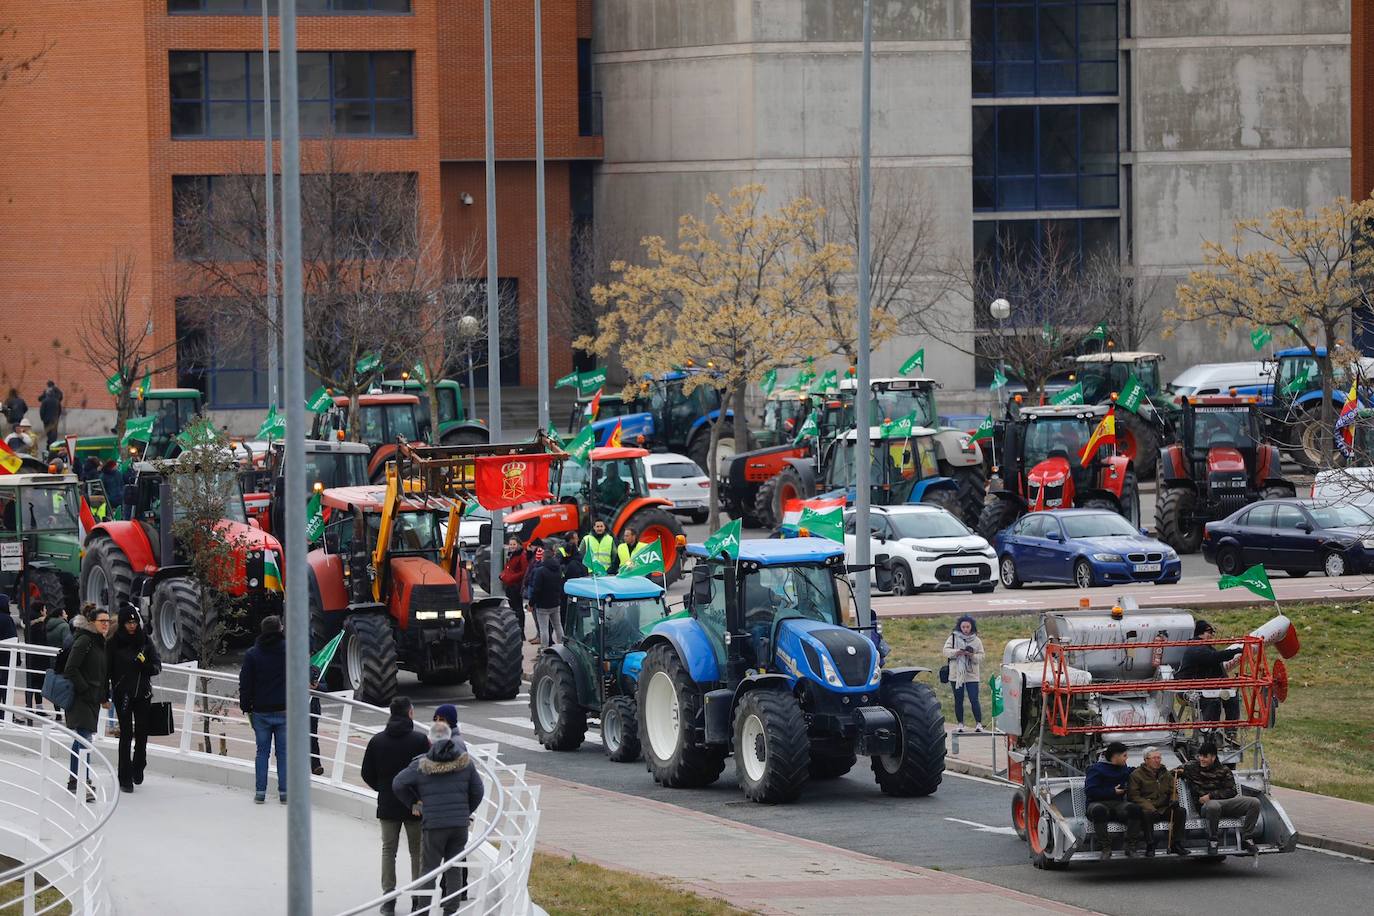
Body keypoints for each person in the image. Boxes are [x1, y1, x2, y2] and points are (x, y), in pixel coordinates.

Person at [392, 721, 486, 915]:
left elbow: (398, 783)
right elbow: (478, 791)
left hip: (434, 825)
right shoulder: (466, 762)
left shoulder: (421, 764)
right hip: (459, 825)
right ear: (450, 738)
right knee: (454, 868)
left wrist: (414, 804)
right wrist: (465, 812)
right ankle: (451, 910)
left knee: (429, 870)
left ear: (430, 740)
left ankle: (423, 910)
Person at [361, 696, 430, 916]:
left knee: (388, 850)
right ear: (410, 713)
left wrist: (384, 789)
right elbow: (428, 773)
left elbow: (366, 773)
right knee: (417, 851)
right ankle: (418, 899)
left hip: (387, 803)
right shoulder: (420, 740)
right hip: (415, 805)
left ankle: (388, 898)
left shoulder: (377, 741)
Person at [106, 606, 161, 792]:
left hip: (143, 694)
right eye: (128, 622)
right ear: (122, 623)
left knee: (142, 733)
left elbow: (157, 666)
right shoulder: (114, 643)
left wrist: (144, 665)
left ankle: (139, 765)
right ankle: (124, 777)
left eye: (135, 622)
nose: (132, 626)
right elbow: (107, 670)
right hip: (123, 695)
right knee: (126, 734)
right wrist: (104, 694)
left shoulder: (145, 641)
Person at [1179, 740, 1261, 855]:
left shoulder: (1224, 770)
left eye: (1205, 756)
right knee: (1213, 805)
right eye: (1200, 756)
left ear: (1213, 757)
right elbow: (1173, 772)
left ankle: (1247, 838)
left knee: (1254, 802)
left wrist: (1211, 795)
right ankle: (1213, 840)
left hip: (1225, 803)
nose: (1201, 759)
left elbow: (1232, 791)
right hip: (1206, 807)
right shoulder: (1191, 767)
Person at [239, 615, 288, 804]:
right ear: (280, 629)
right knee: (283, 753)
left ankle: (260, 792)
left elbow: (245, 683)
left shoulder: (252, 654)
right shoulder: (289, 650)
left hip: (260, 711)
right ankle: (284, 793)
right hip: (284, 709)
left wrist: (246, 706)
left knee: (262, 753)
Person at [63, 608, 111, 797]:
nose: (106, 624)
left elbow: (101, 673)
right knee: (84, 739)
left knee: (82, 739)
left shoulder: (99, 642)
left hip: (91, 698)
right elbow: (71, 668)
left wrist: (103, 697)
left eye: (107, 620)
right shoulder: (85, 640)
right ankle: (83, 781)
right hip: (81, 699)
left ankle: (75, 780)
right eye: (102, 621)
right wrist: (86, 690)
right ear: (91, 622)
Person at [1176, 620, 1242, 725]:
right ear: (1201, 632)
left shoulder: (1207, 649)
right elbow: (1213, 658)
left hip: (1205, 687)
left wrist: (1227, 689)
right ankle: (1209, 730)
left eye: (1212, 633)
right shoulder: (1195, 648)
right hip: (1190, 688)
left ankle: (1231, 729)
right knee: (1213, 702)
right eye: (1209, 632)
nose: (1211, 636)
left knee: (1232, 698)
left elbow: (1218, 669)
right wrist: (1234, 651)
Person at [1084, 741, 1143, 859]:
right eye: (1124, 756)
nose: (1127, 758)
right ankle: (1105, 847)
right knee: (1099, 810)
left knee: (1135, 809)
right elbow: (1090, 791)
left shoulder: (1123, 768)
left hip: (1117, 804)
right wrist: (1112, 791)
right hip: (1097, 803)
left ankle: (1131, 846)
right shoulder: (1095, 769)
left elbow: (1134, 771)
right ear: (1115, 756)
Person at [1127, 746, 1187, 856]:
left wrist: (1174, 800)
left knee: (1180, 811)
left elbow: (1173, 791)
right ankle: (1150, 845)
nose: (1157, 760)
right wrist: (1150, 807)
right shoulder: (1136, 774)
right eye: (1154, 758)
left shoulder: (1166, 773)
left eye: (1159, 758)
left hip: (1164, 807)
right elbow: (1134, 796)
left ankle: (1176, 843)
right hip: (1149, 808)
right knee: (1146, 814)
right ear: (1146, 760)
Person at [941, 615, 986, 733]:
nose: (965, 629)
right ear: (959, 627)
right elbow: (945, 651)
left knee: (974, 699)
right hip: (956, 674)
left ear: (972, 627)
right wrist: (957, 652)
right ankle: (960, 724)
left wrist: (971, 655)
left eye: (968, 627)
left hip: (972, 674)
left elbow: (982, 656)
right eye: (963, 627)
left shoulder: (977, 640)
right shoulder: (953, 638)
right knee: (958, 699)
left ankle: (978, 723)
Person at [528, 549, 565, 648]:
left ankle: (544, 648)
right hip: (555, 602)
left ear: (543, 558)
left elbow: (536, 590)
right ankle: (562, 646)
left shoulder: (540, 571)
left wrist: (531, 603)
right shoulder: (558, 569)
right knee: (558, 626)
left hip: (542, 605)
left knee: (543, 629)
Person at [498, 537, 530, 640]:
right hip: (510, 585)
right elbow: (508, 568)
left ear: (518, 544)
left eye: (514, 544)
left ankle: (521, 632)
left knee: (518, 609)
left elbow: (524, 571)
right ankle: (515, 630)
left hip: (516, 586)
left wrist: (510, 577)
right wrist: (503, 575)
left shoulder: (521, 555)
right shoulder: (512, 555)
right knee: (513, 609)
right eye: (510, 544)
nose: (512, 546)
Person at [24, 601, 50, 722]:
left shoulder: (30, 623)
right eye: (44, 608)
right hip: (40, 658)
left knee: (31, 682)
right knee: (38, 683)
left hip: (31, 657)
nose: (46, 611)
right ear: (40, 610)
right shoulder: (39, 625)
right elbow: (43, 640)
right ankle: (38, 707)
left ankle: (29, 706)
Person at [0, 596, 15, 723]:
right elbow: (13, 638)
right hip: (6, 657)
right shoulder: (7, 619)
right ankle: (7, 714)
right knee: (6, 686)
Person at [309, 665, 324, 777]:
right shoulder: (289, 667)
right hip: (294, 711)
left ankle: (316, 765)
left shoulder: (315, 670)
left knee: (313, 738)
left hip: (312, 710)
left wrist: (317, 686)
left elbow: (326, 687)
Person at [39, 381, 63, 451]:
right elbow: (60, 410)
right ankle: (53, 445)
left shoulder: (45, 400)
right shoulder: (57, 400)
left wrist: (42, 418)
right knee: (54, 433)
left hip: (46, 419)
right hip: (55, 419)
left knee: (48, 432)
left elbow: (42, 411)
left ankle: (49, 445)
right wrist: (57, 417)